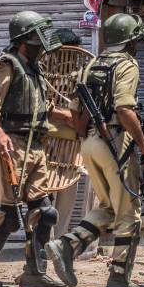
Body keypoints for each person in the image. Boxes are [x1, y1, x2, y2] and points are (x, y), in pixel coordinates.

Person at [45, 13, 144, 287]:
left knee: (109, 206)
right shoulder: (127, 65)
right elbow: (124, 108)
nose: (137, 45)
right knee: (129, 211)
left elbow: (74, 111)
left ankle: (66, 245)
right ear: (130, 40)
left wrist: (88, 132)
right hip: (116, 143)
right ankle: (120, 278)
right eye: (135, 40)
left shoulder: (91, 65)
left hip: (89, 144)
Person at [0, 11, 69, 287]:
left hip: (36, 145)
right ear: (25, 40)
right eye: (38, 38)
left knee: (44, 212)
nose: (42, 44)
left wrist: (65, 116)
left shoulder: (36, 69)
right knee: (9, 214)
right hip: (13, 145)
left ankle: (34, 273)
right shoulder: (5, 65)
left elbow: (37, 107)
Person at [49, 28, 85, 238]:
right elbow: (38, 105)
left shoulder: (81, 76)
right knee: (43, 192)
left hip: (73, 144)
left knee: (68, 189)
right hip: (46, 141)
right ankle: (41, 239)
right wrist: (64, 115)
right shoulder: (43, 73)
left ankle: (59, 240)